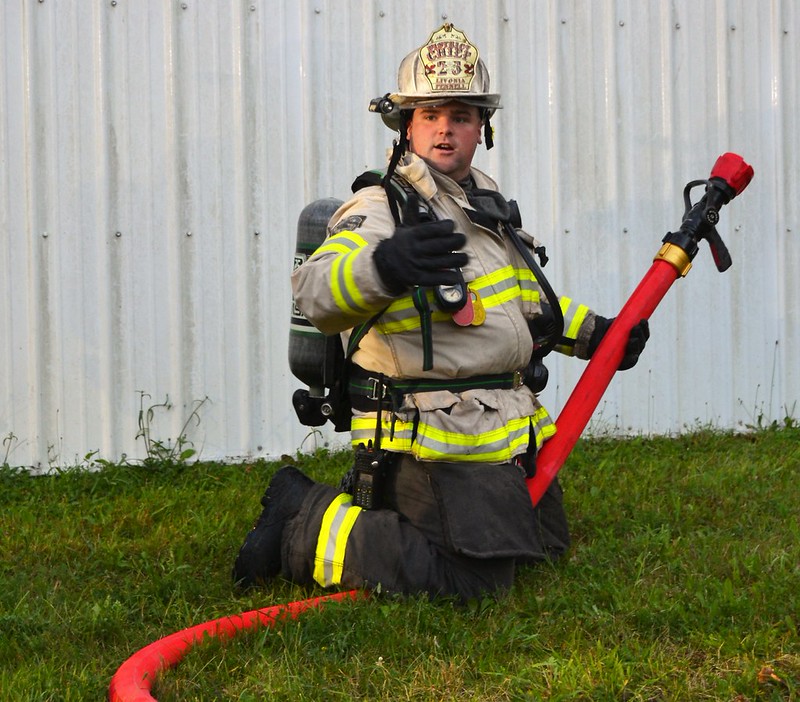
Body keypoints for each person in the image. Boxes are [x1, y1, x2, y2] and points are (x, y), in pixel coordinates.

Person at [233, 24, 648, 600]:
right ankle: (302, 516)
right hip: (425, 436)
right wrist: (385, 265)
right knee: (474, 582)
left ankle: (424, 523)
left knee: (543, 551)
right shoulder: (381, 207)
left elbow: (521, 303)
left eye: (461, 115)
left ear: (483, 127)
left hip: (497, 432)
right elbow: (315, 292)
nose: (445, 129)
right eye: (430, 115)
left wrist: (595, 334)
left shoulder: (485, 207)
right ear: (407, 125)